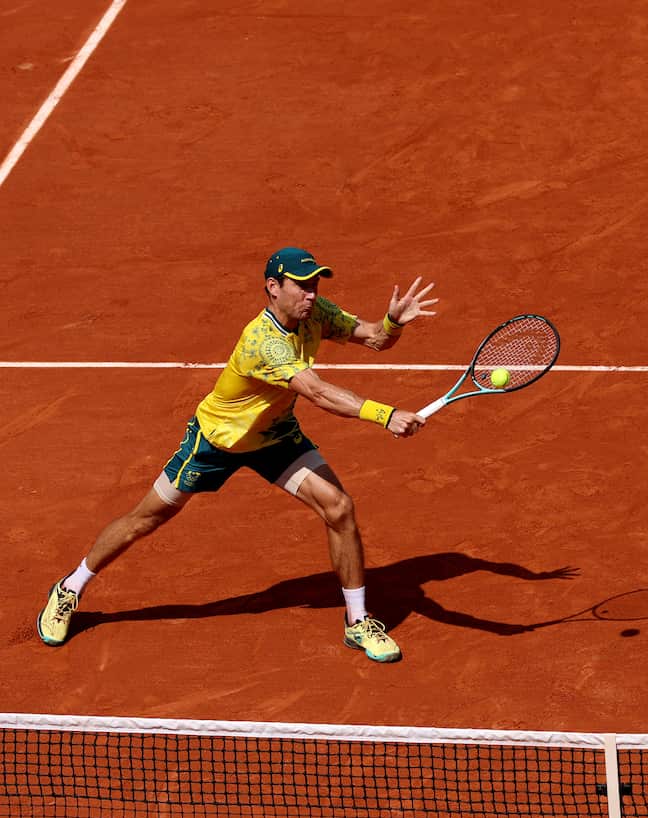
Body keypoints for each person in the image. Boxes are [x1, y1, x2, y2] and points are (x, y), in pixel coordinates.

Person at [36, 247, 439, 662]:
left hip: (275, 436)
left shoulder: (315, 313)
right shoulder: (263, 342)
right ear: (273, 287)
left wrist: (392, 322)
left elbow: (374, 338)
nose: (311, 294)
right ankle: (69, 587)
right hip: (217, 441)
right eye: (302, 286)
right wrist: (385, 415)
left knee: (339, 507)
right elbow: (318, 392)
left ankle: (357, 621)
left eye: (315, 285)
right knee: (146, 518)